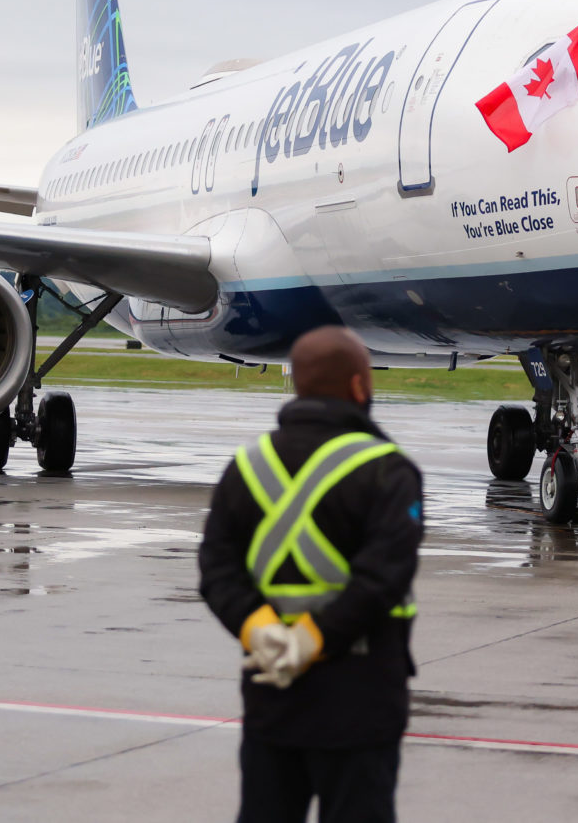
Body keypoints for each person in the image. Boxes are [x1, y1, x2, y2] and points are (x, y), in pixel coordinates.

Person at [199, 326, 423, 823]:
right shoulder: (389, 471)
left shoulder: (246, 467)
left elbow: (215, 570)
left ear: (297, 384)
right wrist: (313, 640)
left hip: (271, 692)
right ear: (360, 388)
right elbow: (382, 579)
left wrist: (262, 632)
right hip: (360, 702)